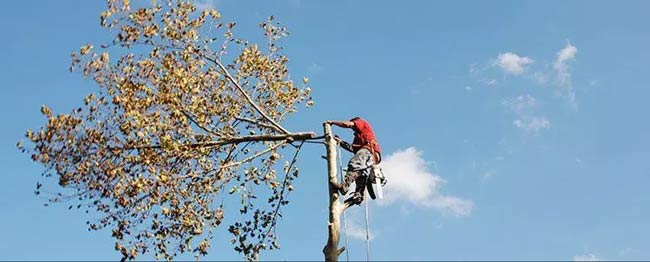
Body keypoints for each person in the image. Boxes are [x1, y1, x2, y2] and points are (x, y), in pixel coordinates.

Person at [325, 117, 382, 203]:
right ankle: (358, 195)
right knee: (361, 173)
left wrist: (333, 122)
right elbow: (352, 148)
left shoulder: (362, 123)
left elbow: (347, 124)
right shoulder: (358, 137)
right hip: (371, 154)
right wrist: (340, 141)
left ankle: (345, 186)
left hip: (368, 151)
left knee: (354, 165)